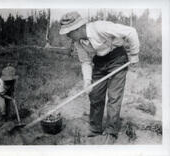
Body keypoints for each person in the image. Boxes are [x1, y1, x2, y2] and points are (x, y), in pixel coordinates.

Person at [59, 12, 140, 144]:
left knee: (114, 97)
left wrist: (134, 54)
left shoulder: (100, 27)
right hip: (99, 62)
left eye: (69, 32)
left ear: (78, 28)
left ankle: (111, 131)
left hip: (117, 58)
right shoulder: (78, 42)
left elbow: (131, 32)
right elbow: (85, 62)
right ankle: (95, 128)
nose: (67, 35)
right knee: (95, 94)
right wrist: (87, 81)